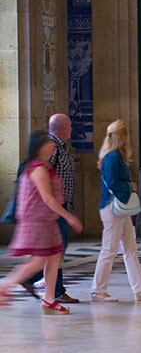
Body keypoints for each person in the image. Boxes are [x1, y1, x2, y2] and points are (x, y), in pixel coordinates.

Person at [0, 130, 82, 312]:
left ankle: (49, 299)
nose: (53, 145)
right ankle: (4, 286)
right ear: (39, 147)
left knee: (54, 258)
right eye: (48, 142)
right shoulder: (38, 169)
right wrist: (69, 216)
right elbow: (48, 198)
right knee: (37, 262)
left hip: (47, 221)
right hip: (37, 222)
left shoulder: (44, 166)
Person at [90, 120, 141, 302]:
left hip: (119, 208)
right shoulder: (113, 157)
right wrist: (130, 186)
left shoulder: (114, 156)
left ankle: (140, 289)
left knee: (130, 248)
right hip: (113, 207)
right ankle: (98, 290)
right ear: (123, 137)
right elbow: (113, 183)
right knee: (109, 249)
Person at [25, 113, 79, 303]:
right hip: (55, 208)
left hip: (60, 205)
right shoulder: (52, 146)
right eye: (70, 126)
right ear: (64, 128)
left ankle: (36, 282)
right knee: (57, 249)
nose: (71, 129)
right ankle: (53, 290)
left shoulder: (60, 146)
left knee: (56, 250)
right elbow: (45, 176)